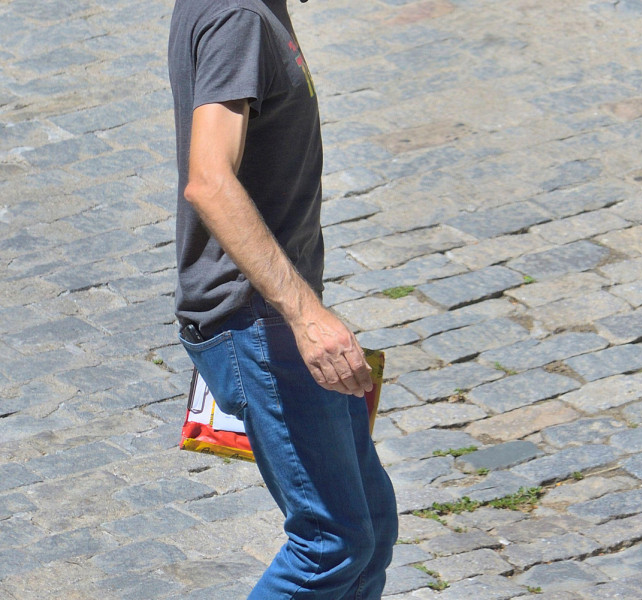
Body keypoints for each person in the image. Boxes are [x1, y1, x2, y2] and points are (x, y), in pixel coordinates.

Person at [167, 0, 398, 597]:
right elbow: (209, 181)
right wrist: (305, 314)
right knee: (333, 543)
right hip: (258, 322)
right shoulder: (240, 19)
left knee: (369, 526)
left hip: (268, 317)